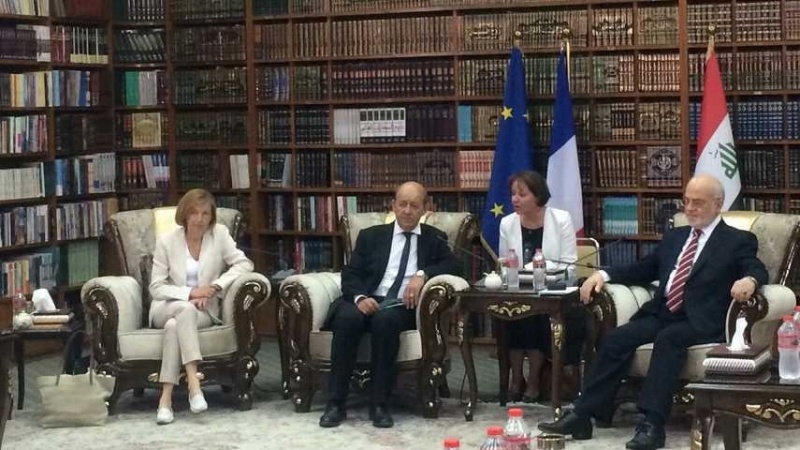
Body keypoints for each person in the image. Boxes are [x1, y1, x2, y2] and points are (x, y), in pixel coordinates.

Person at [539, 175, 768, 450]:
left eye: (698, 202)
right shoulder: (676, 237)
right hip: (664, 312)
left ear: (718, 204)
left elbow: (756, 268)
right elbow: (643, 269)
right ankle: (582, 415)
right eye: (686, 201)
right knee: (617, 339)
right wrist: (603, 274)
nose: (690, 208)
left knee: (669, 340)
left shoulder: (737, 240)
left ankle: (652, 424)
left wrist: (750, 281)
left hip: (702, 320)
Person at [319, 181, 461, 429]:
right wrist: (360, 298)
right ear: (393, 206)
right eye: (402, 204)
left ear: (425, 208)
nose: (407, 211)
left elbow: (455, 267)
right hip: (366, 297)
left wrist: (422, 274)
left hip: (400, 305)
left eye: (414, 205)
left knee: (385, 322)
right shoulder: (371, 236)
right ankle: (335, 403)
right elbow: (351, 274)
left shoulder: (434, 238)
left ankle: (379, 404)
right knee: (347, 318)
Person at [149, 189, 254, 425]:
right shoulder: (167, 241)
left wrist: (215, 287)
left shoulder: (219, 235)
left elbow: (244, 264)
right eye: (194, 213)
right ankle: (194, 385)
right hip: (165, 307)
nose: (199, 219)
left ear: (211, 216)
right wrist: (190, 293)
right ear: (184, 214)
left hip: (202, 312)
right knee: (183, 310)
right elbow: (156, 287)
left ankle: (165, 400)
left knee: (175, 326)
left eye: (205, 213)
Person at [498, 170, 580, 402]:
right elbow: (505, 262)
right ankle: (516, 379)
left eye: (522, 194)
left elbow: (570, 265)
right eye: (513, 194)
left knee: (534, 316)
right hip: (519, 288)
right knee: (511, 314)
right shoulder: (507, 223)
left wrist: (540, 270)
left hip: (551, 290)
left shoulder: (560, 220)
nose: (515, 199)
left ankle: (533, 381)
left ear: (538, 196)